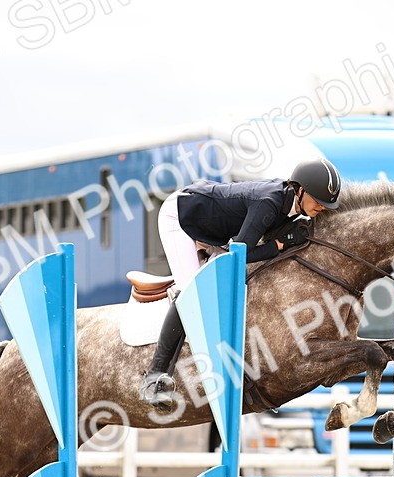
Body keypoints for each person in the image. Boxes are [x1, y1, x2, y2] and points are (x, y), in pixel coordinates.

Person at [139, 158, 343, 411]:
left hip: (215, 230)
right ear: (300, 189)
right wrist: (278, 246)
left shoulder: (290, 208)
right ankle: (154, 379)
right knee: (192, 293)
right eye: (318, 200)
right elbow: (236, 257)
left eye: (326, 204)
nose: (322, 207)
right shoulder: (269, 203)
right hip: (182, 218)